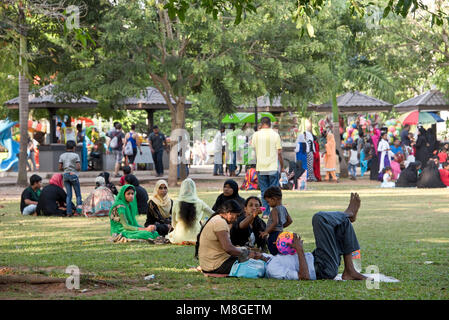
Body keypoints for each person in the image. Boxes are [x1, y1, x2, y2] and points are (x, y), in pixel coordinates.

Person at [266, 193, 367, 281]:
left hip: (317, 257)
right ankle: (348, 214)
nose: (253, 253)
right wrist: (299, 250)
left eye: (252, 252)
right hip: (322, 268)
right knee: (319, 218)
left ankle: (350, 270)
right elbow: (304, 276)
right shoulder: (271, 268)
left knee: (341, 223)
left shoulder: (269, 258)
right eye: (250, 254)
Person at [195, 200, 257, 275]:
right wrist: (247, 254)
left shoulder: (216, 219)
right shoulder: (220, 222)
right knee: (255, 267)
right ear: (229, 213)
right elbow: (228, 249)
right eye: (236, 216)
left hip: (209, 265)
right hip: (215, 266)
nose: (236, 219)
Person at [250, 116, 284, 218]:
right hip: (273, 166)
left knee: (264, 191)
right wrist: (282, 166)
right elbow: (279, 152)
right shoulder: (275, 135)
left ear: (261, 124)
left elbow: (254, 149)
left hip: (261, 167)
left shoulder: (256, 135)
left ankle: (265, 213)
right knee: (274, 191)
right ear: (270, 124)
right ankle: (276, 212)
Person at [167, 178, 214, 244]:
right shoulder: (200, 202)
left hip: (179, 237)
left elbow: (174, 224)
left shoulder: (176, 202)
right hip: (196, 236)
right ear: (194, 189)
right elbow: (213, 214)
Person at [260, 187, 292, 255]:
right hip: (281, 234)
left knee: (274, 252)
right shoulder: (284, 208)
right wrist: (280, 227)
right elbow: (290, 221)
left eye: (268, 202)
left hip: (274, 235)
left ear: (274, 199)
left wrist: (266, 232)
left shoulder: (275, 210)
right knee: (280, 252)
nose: (268, 204)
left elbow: (275, 222)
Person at [59, 140, 82, 216]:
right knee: (78, 194)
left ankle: (68, 212)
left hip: (65, 175)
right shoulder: (76, 155)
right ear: (73, 147)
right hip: (73, 175)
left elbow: (60, 167)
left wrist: (66, 169)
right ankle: (78, 212)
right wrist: (75, 169)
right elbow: (78, 167)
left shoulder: (62, 155)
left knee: (69, 195)